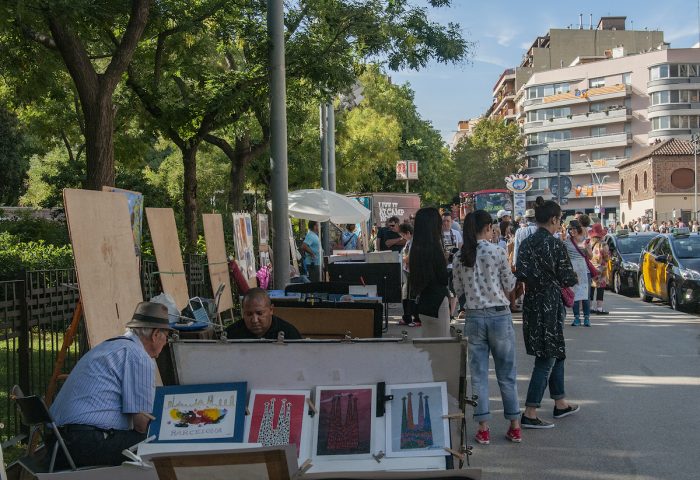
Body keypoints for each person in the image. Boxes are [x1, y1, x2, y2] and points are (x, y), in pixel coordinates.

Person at [48, 302, 173, 467]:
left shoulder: (110, 346)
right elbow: (141, 425)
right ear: (156, 334)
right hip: (82, 443)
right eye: (167, 336)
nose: (166, 342)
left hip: (56, 444)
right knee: (161, 441)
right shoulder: (139, 356)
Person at [452, 210, 521, 444]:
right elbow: (510, 284)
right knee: (506, 374)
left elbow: (458, 290)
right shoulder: (498, 251)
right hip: (500, 316)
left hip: (473, 318)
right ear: (489, 227)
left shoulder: (460, 256)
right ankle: (514, 425)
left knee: (479, 376)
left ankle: (483, 428)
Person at [515, 196, 580, 429]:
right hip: (551, 303)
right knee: (547, 356)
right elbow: (568, 277)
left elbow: (520, 273)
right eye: (560, 220)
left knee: (556, 351)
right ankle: (530, 411)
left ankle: (560, 402)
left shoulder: (525, 244)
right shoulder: (555, 244)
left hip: (532, 301)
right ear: (553, 219)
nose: (560, 224)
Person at [409, 208, 450, 337]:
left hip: (422, 302)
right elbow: (443, 278)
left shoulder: (415, 248)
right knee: (442, 344)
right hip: (438, 301)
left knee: (428, 345)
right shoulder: (435, 248)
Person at [226, 288, 302, 340]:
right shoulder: (230, 335)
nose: (254, 320)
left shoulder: (289, 334)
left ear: (271, 310)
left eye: (259, 313)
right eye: (249, 314)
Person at [565, 220, 592, 327]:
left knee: (586, 296)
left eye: (574, 228)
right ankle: (576, 318)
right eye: (570, 229)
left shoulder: (586, 241)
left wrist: (585, 249)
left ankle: (586, 318)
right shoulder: (567, 242)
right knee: (575, 296)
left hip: (585, 271)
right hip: (573, 271)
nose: (572, 231)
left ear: (579, 229)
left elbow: (590, 256)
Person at [398, 223, 420, 326]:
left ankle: (416, 318)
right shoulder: (408, 242)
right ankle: (407, 317)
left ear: (408, 233)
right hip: (406, 271)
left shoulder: (415, 242)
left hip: (413, 272)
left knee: (412, 296)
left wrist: (401, 259)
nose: (402, 237)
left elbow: (409, 258)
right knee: (405, 295)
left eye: (403, 235)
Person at [588, 223, 610, 315]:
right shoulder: (603, 244)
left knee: (592, 288)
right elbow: (606, 257)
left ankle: (590, 307)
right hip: (601, 269)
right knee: (600, 288)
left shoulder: (589, 243)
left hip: (591, 268)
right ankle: (599, 308)